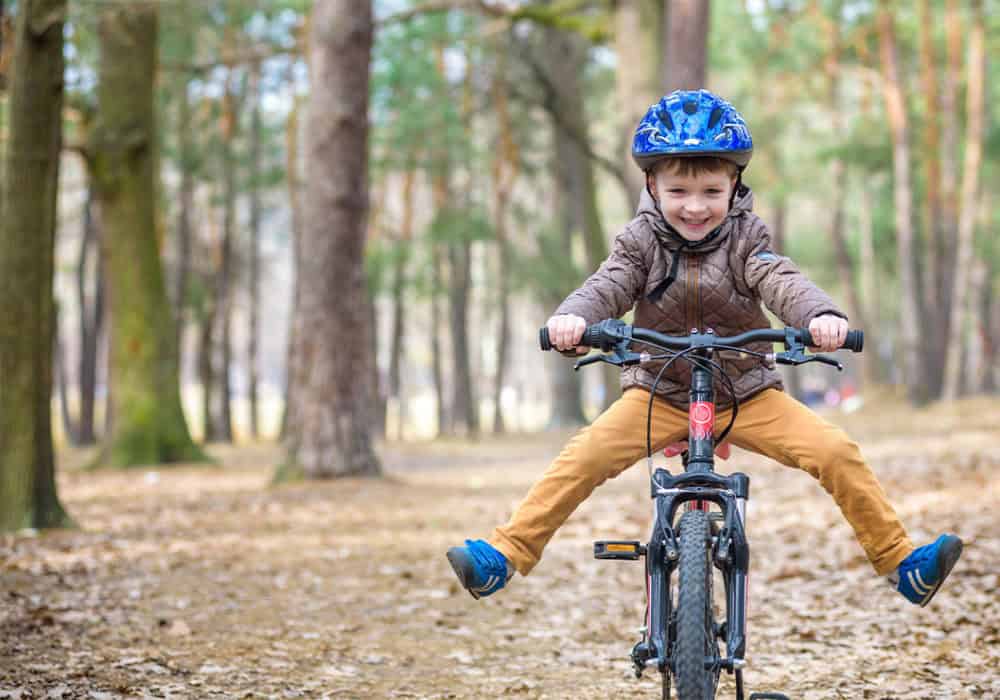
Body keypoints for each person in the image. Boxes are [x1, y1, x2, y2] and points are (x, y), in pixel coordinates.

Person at [446, 89, 962, 607]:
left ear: (734, 185)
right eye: (678, 192)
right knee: (581, 458)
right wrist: (573, 318)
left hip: (747, 393)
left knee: (835, 451)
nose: (696, 207)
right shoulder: (639, 242)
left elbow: (780, 279)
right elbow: (610, 283)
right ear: (652, 184)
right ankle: (505, 555)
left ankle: (899, 562)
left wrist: (820, 316)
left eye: (712, 191)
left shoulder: (746, 238)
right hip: (660, 391)